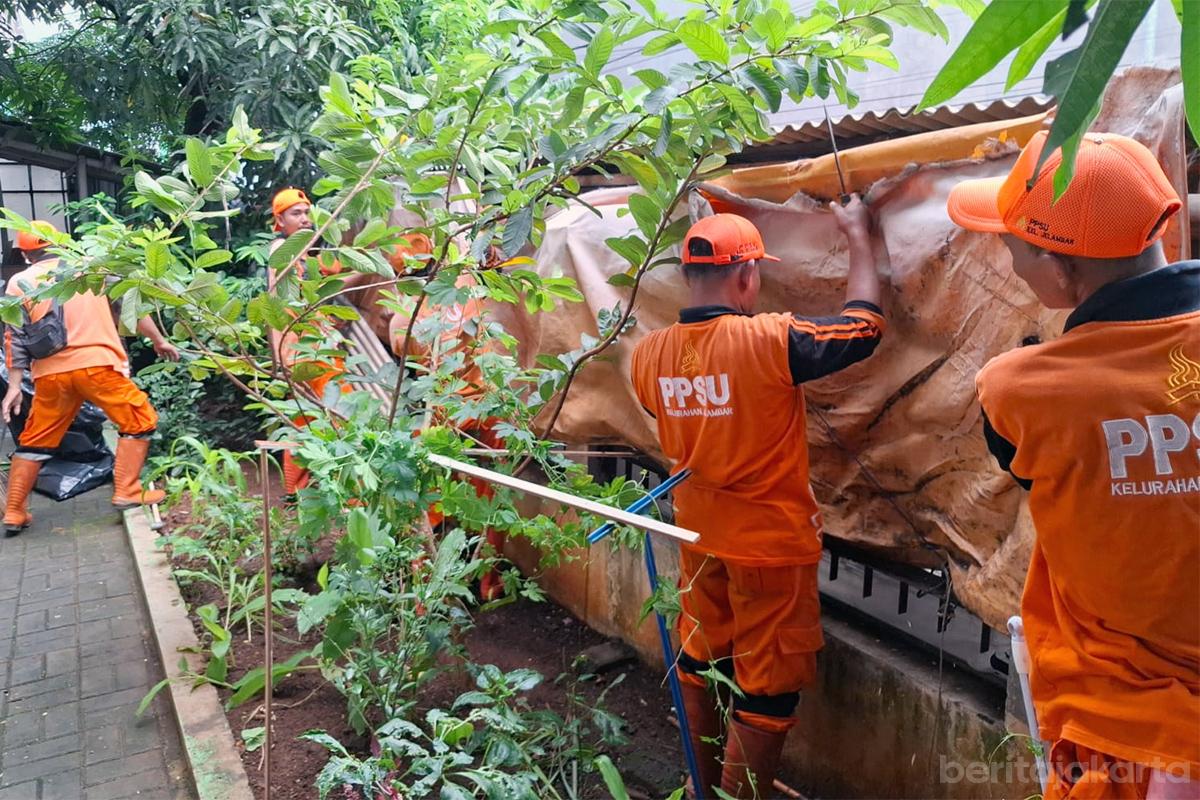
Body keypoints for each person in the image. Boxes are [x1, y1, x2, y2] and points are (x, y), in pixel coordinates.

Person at [947, 131, 1198, 798]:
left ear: (1060, 272)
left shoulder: (1021, 392)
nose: (1009, 264)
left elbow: (1032, 468)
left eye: (1012, 248)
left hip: (1125, 739)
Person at [629, 205, 886, 797]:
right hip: (770, 548)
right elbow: (863, 327)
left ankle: (702, 787)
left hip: (698, 538)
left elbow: (659, 409)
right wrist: (857, 236)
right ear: (746, 275)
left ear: (690, 278)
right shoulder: (771, 338)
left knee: (701, 658)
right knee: (768, 688)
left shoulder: (647, 357)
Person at [2, 221, 179, 536]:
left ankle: (15, 512)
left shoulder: (18, 282)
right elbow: (129, 307)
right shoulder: (89, 266)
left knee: (35, 441)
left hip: (50, 376)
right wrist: (158, 340)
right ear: (60, 242)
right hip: (97, 365)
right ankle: (126, 489)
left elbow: (13, 338)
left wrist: (14, 387)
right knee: (139, 419)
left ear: (26, 254)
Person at [388, 262, 508, 601]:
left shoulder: (413, 309)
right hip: (468, 410)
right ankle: (472, 582)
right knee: (480, 496)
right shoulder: (453, 293)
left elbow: (402, 348)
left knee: (438, 497)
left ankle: (457, 584)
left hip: (463, 411)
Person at [267, 188, 351, 496]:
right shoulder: (283, 250)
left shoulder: (303, 251)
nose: (304, 219)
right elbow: (275, 302)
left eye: (306, 212)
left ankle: (296, 491)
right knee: (342, 410)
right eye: (295, 214)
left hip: (314, 344)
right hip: (305, 348)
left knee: (305, 417)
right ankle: (344, 493)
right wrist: (282, 355)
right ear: (279, 220)